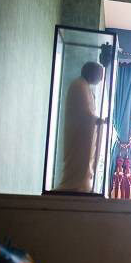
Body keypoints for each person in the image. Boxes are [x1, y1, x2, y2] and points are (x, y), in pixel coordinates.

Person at [55, 62, 106, 192]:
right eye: (99, 75)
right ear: (91, 73)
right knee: (77, 162)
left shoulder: (85, 87)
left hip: (85, 134)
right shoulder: (79, 86)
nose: (101, 79)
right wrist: (97, 120)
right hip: (78, 135)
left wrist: (97, 121)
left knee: (85, 163)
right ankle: (73, 184)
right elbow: (83, 113)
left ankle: (83, 184)